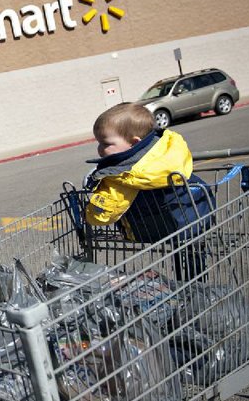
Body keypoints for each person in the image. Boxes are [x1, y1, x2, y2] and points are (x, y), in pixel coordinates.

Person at [84, 102, 212, 279]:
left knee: (184, 255)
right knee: (192, 257)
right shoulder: (164, 151)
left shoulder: (123, 175)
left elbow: (104, 215)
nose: (99, 149)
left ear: (134, 142)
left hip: (156, 228)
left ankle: (192, 291)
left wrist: (89, 213)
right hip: (195, 217)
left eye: (105, 143)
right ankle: (196, 286)